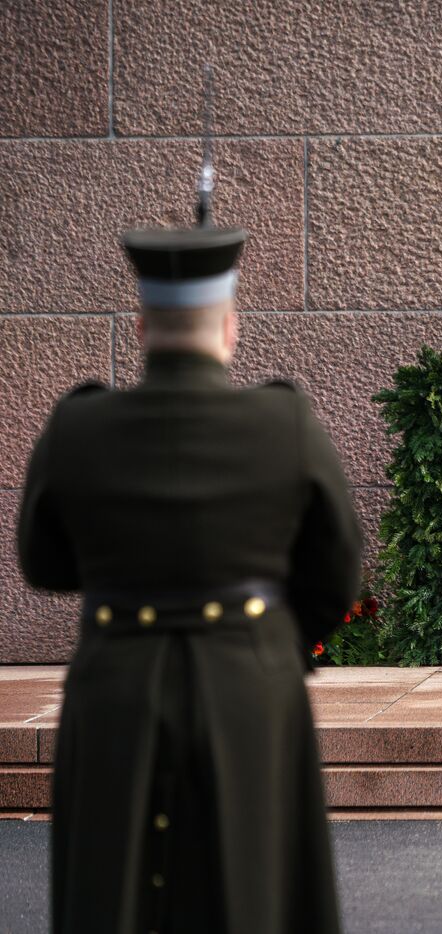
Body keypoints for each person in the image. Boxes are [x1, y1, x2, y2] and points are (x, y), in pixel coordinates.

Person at [18, 199, 361, 930]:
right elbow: (338, 568)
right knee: (253, 893)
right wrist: (278, 646)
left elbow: (42, 563)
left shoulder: (78, 427)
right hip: (249, 683)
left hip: (117, 682)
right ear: (230, 328)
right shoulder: (285, 424)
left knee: (117, 895)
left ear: (142, 330)